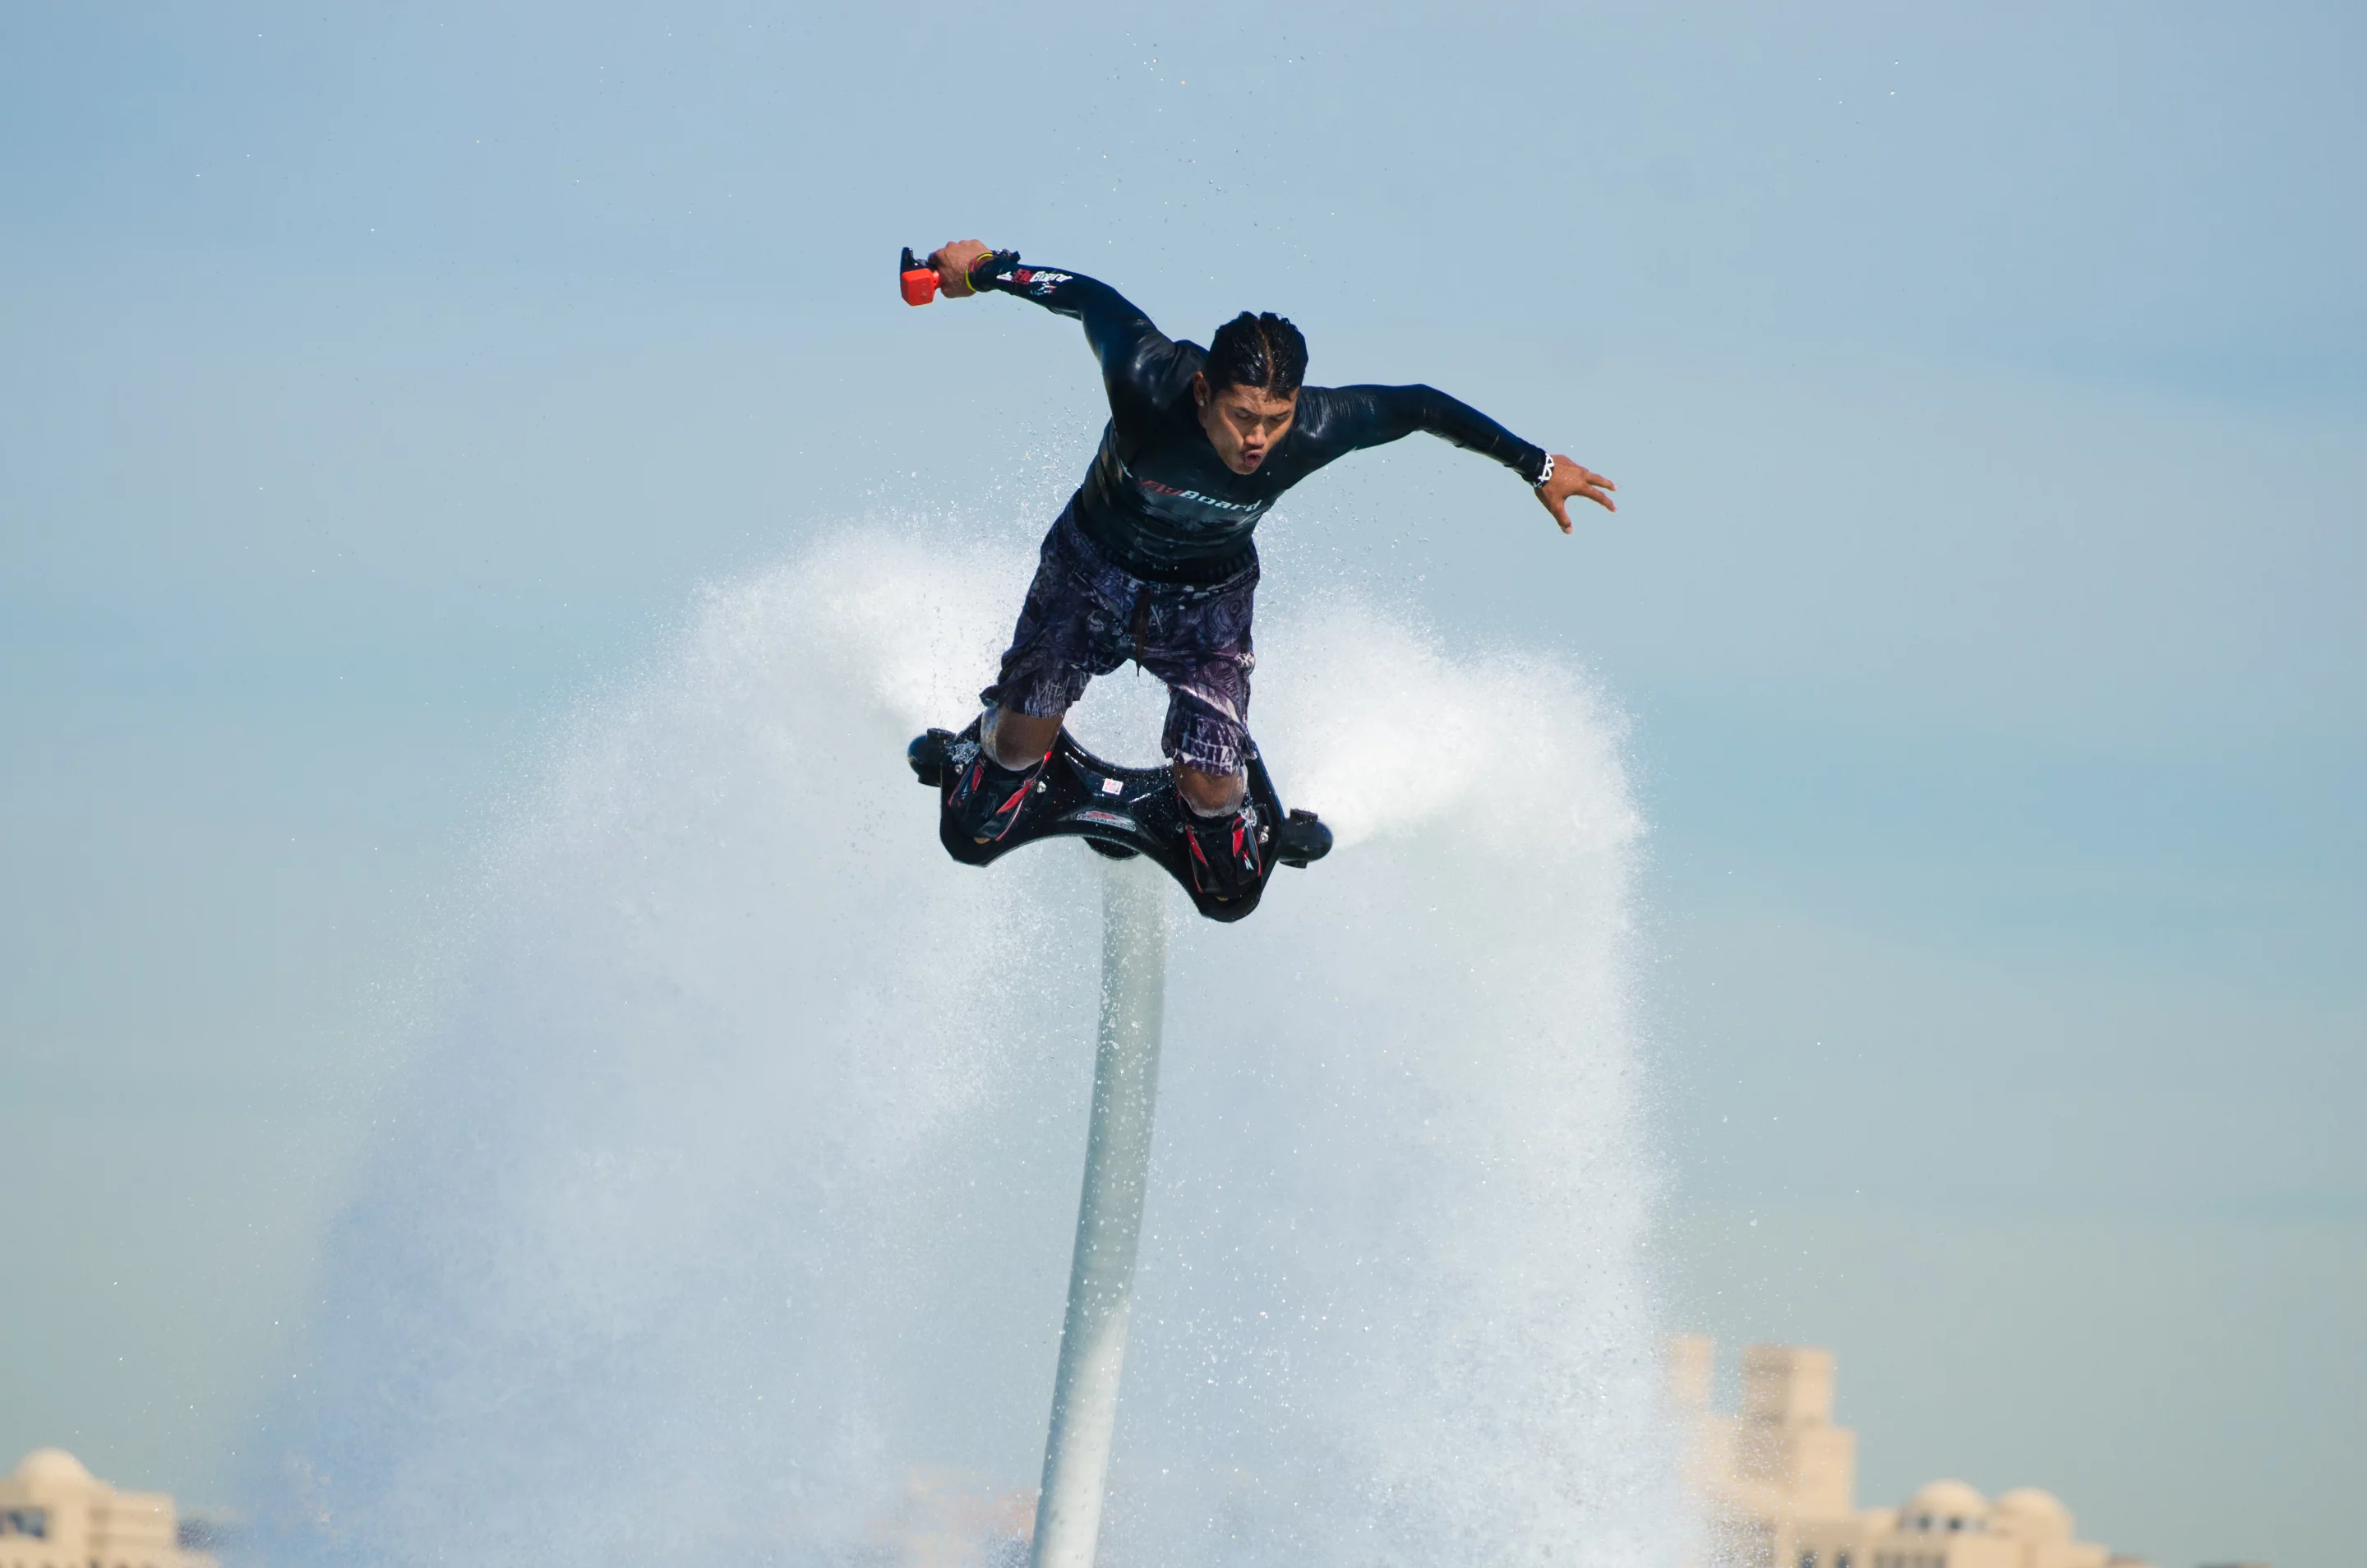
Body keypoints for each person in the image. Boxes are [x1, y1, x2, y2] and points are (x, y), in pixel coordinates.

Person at [925, 238, 1617, 902]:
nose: (1257, 439)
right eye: (1242, 415)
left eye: (1275, 418)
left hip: (1207, 598)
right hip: (1088, 569)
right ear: (1204, 391)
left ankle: (1234, 807)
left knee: (1213, 810)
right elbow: (1086, 296)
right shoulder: (1145, 376)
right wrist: (982, 269)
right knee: (1010, 760)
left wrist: (1539, 467)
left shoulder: (1316, 426)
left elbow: (1419, 406)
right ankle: (982, 750)